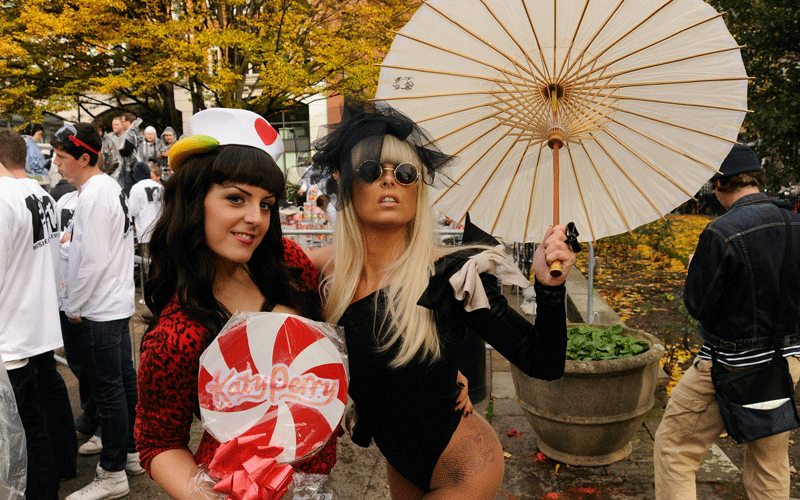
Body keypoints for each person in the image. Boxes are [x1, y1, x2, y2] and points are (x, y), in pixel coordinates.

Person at [306, 100, 576, 499]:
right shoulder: (320, 273)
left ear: (418, 188)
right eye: (369, 170)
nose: (389, 181)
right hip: (399, 461)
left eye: (404, 172)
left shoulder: (453, 274)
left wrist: (550, 288)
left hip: (464, 465)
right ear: (341, 180)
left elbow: (544, 362)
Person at [135, 108, 340, 500]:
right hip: (235, 487)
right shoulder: (177, 334)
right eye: (236, 198)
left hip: (317, 487)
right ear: (194, 200)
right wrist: (212, 496)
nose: (255, 218)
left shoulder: (289, 266)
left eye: (266, 204)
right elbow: (158, 443)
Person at [654, 143, 800, 500]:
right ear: (757, 179)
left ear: (719, 184)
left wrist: (695, 272)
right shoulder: (795, 220)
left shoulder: (722, 232)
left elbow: (698, 305)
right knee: (770, 460)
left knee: (675, 450)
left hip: (732, 369)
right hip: (787, 363)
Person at [51, 123, 141, 500]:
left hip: (101, 309)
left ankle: (113, 471)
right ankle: (130, 453)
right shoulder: (102, 190)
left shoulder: (95, 195)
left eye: (61, 157)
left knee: (110, 392)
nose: (56, 164)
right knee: (121, 386)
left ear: (84, 158)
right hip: (112, 304)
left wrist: (73, 304)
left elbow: (93, 260)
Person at [0, 129, 76, 498]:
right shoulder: (39, 192)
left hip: (10, 338)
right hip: (34, 324)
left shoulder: (2, 198)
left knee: (17, 442)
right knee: (36, 429)